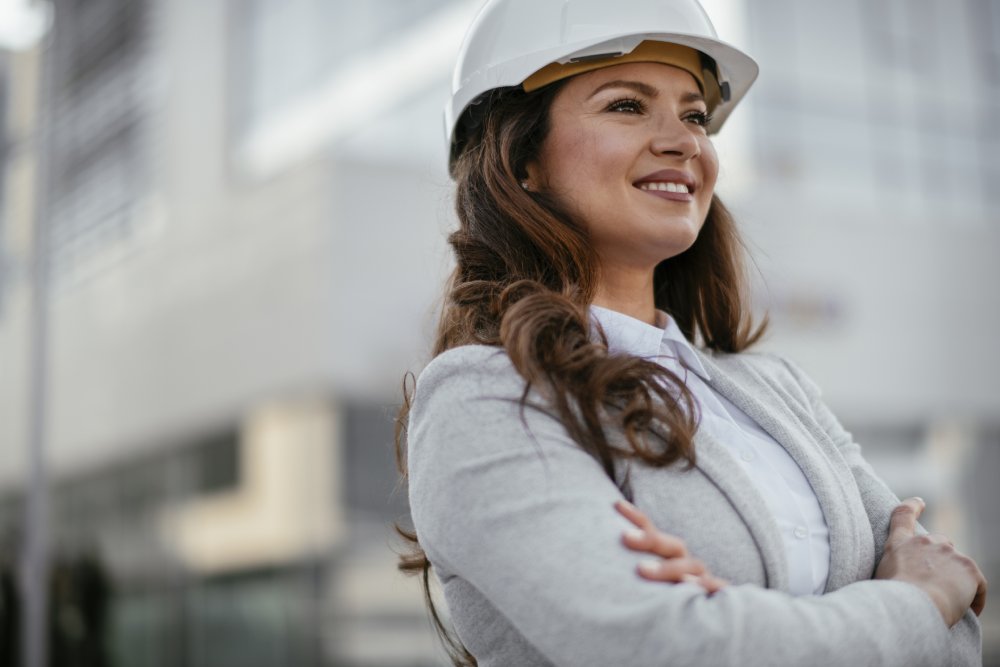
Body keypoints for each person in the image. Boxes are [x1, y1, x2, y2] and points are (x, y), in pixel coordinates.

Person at [394, 1, 988, 665]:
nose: (683, 141)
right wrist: (913, 603)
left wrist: (734, 615)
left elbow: (960, 632)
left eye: (695, 115)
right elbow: (669, 646)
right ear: (520, 156)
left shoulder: (777, 389)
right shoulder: (482, 397)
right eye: (626, 104)